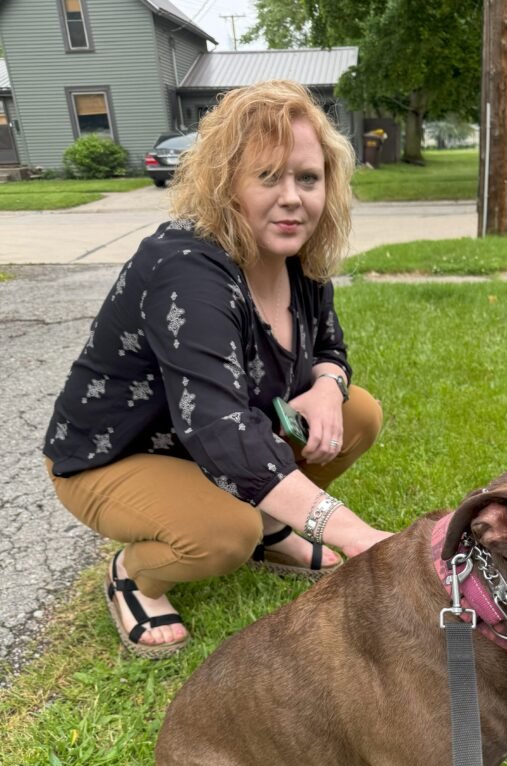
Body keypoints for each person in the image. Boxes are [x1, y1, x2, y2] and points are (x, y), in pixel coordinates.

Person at [43, 81, 391, 659]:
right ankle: (134, 576)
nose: (292, 198)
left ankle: (272, 531)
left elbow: (330, 345)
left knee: (357, 413)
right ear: (226, 183)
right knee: (224, 534)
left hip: (205, 444)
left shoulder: (299, 257)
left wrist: (328, 386)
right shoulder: (185, 266)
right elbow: (220, 429)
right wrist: (356, 536)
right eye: (267, 176)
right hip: (115, 455)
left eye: (307, 178)